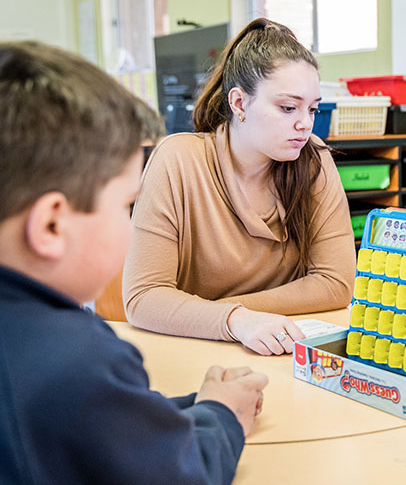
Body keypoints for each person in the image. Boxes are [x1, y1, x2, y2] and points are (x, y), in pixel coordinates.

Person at [0, 41, 269, 484]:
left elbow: (101, 420)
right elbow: (183, 475)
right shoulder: (79, 358)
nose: (131, 227)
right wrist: (224, 415)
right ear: (50, 226)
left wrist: (196, 404)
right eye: (126, 205)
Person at [122, 19, 356, 355]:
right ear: (239, 103)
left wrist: (230, 314)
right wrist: (236, 321)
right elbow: (144, 297)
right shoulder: (177, 161)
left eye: (312, 108)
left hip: (278, 349)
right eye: (288, 108)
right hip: (196, 352)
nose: (305, 123)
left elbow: (335, 284)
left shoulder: (313, 160)